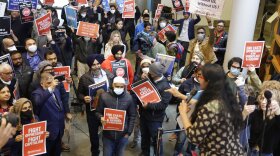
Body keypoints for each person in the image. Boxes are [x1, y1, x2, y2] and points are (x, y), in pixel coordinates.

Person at [175, 63, 245, 155]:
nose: (198, 79)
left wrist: (183, 114)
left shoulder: (211, 107)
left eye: (201, 77)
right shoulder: (226, 98)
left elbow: (194, 137)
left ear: (208, 81)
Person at [78, 54, 114, 156]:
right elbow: (79, 94)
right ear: (90, 66)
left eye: (98, 64)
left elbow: (114, 88)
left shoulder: (108, 75)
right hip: (92, 111)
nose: (97, 66)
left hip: (107, 109)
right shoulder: (84, 78)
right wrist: (84, 98)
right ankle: (95, 152)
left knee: (108, 132)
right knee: (93, 134)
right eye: (93, 65)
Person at [95, 76, 136, 156]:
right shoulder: (104, 96)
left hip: (123, 136)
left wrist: (128, 133)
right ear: (113, 85)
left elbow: (132, 115)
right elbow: (97, 112)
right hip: (108, 135)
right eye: (117, 86)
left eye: (121, 87)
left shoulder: (129, 98)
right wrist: (101, 117)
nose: (119, 88)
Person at [139, 62, 172, 156]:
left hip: (155, 119)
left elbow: (162, 105)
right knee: (144, 136)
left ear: (156, 74)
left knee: (156, 140)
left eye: (151, 71)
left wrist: (148, 106)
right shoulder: (150, 78)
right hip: (144, 115)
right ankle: (145, 153)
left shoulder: (166, 87)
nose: (149, 73)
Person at [31, 72, 66, 156]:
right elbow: (38, 103)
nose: (52, 85)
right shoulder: (37, 93)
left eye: (52, 82)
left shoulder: (56, 91)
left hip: (59, 130)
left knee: (57, 153)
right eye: (49, 83)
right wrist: (50, 88)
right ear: (42, 83)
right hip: (47, 132)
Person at [242, 81, 280, 156]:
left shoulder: (277, 117)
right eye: (262, 98)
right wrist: (244, 113)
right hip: (251, 151)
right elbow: (239, 126)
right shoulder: (256, 113)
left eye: (267, 99)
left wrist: (278, 111)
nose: (263, 102)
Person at [130, 59, 151, 149]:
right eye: (144, 66)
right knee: (137, 124)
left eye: (148, 66)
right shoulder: (137, 77)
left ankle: (146, 143)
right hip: (139, 106)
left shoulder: (153, 77)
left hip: (150, 106)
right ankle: (135, 140)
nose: (145, 68)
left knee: (147, 126)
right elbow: (133, 92)